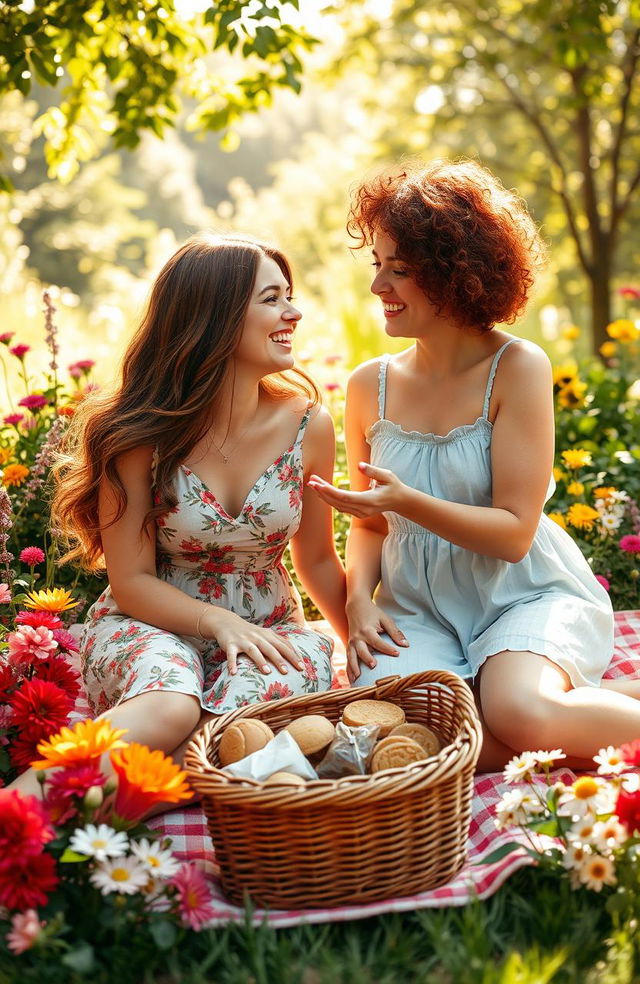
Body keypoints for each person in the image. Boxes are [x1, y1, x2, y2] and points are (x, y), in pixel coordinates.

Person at [308, 159, 640, 770]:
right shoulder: (367, 387)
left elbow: (514, 534)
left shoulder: (518, 367)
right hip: (418, 613)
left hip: (522, 596)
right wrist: (359, 599)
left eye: (399, 270)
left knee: (516, 713)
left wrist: (408, 502)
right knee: (397, 741)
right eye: (376, 264)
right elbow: (368, 524)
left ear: (455, 275)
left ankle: (558, 706)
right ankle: (595, 711)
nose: (378, 286)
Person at [13, 232, 348, 795]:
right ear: (213, 316)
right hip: (149, 623)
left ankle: (78, 828)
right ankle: (16, 815)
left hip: (269, 633)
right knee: (171, 708)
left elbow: (315, 557)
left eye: (289, 295)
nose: (293, 312)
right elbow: (132, 579)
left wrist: (356, 638)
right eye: (271, 299)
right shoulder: (136, 433)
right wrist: (217, 620)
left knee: (230, 739)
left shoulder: (307, 425)